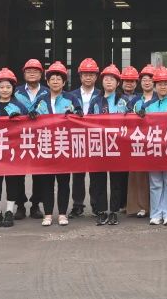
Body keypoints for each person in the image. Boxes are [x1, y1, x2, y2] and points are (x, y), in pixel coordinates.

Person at [29, 61, 78, 226]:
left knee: (64, 182)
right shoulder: (41, 99)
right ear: (48, 82)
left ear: (64, 82)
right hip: (46, 145)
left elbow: (80, 115)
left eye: (59, 79)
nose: (55, 81)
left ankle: (63, 214)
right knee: (46, 182)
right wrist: (33, 115)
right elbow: (30, 114)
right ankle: (48, 214)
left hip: (64, 145)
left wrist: (74, 114)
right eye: (52, 79)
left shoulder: (71, 99)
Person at [135, 66, 167, 226]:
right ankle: (156, 214)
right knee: (155, 184)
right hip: (153, 149)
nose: (163, 86)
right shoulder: (148, 106)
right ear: (155, 86)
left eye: (166, 84)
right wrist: (140, 115)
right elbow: (138, 125)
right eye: (159, 84)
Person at [0, 68, 28, 228]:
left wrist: (21, 118)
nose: (5, 90)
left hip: (13, 150)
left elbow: (28, 126)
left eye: (8, 87)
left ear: (13, 88)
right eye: (1, 87)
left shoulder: (19, 106)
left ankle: (9, 211)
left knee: (12, 181)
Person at [93, 63, 130, 225]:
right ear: (101, 81)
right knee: (99, 181)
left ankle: (114, 211)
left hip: (118, 145)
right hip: (99, 145)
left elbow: (132, 120)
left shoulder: (124, 101)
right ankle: (101, 211)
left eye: (112, 79)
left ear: (118, 82)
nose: (108, 81)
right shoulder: (96, 101)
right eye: (106, 79)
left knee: (116, 181)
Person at [14, 58, 48, 219]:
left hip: (41, 137)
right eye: (29, 71)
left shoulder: (48, 92)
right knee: (17, 173)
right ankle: (19, 205)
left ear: (41, 74)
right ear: (24, 74)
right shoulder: (15, 92)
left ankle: (36, 205)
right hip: (18, 137)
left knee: (39, 174)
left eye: (35, 71)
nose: (32, 73)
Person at [68, 57, 101, 218]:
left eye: (91, 74)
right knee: (78, 173)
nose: (88, 77)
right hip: (77, 137)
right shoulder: (70, 95)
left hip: (96, 137)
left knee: (96, 173)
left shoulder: (101, 94)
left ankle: (96, 204)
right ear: (80, 76)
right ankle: (77, 205)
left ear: (96, 77)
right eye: (85, 74)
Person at [125, 64, 156, 218]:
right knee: (139, 176)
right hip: (138, 142)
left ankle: (157, 206)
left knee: (157, 177)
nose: (147, 82)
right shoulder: (135, 101)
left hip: (157, 142)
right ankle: (142, 206)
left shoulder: (161, 98)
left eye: (150, 79)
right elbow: (126, 119)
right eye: (144, 80)